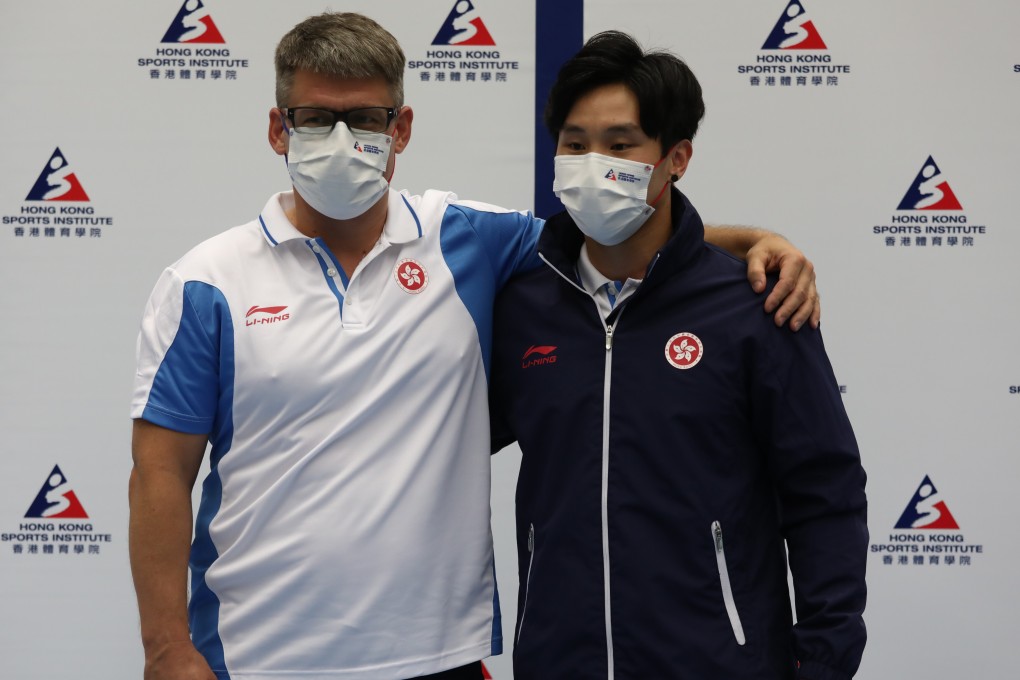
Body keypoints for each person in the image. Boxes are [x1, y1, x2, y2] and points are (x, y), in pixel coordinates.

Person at [128, 12, 821, 680]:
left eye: (365, 119)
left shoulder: (468, 241)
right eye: (317, 119)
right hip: (256, 653)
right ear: (280, 129)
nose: (341, 139)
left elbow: (621, 236)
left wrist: (758, 242)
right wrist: (166, 649)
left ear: (400, 129)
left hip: (438, 655)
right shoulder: (203, 282)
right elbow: (160, 475)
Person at [490, 31, 868, 680]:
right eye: (574, 144)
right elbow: (444, 444)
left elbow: (824, 492)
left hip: (718, 662)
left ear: (676, 158)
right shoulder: (525, 306)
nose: (592, 163)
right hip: (560, 660)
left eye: (620, 144)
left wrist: (826, 661)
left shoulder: (756, 305)